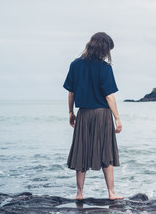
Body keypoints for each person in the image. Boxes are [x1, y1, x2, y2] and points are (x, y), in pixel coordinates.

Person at [63, 32, 123, 200]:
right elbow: (109, 96)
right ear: (104, 49)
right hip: (102, 115)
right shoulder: (105, 68)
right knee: (107, 153)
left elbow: (71, 92)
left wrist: (70, 112)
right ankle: (111, 192)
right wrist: (117, 118)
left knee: (81, 153)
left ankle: (79, 193)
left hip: (83, 113)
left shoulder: (75, 65)